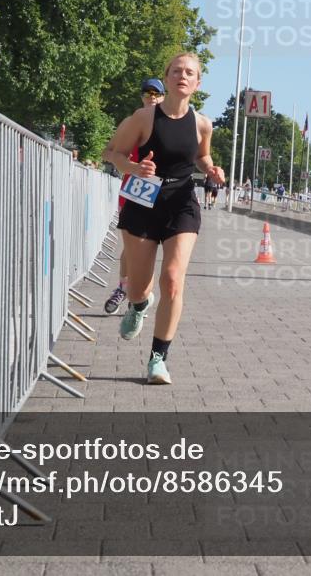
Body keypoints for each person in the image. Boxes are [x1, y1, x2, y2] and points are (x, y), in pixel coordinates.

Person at [102, 53, 225, 384]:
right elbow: (111, 152)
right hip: (143, 199)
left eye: (190, 73)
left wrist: (211, 169)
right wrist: (133, 168)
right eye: (176, 71)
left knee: (172, 279)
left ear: (197, 84)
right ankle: (139, 306)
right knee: (139, 288)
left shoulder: (203, 124)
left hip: (181, 201)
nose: (182, 76)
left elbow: (201, 155)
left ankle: (158, 359)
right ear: (167, 78)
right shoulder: (144, 118)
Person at [102, 79, 165, 313]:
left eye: (156, 93)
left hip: (164, 192)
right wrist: (130, 165)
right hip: (135, 189)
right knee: (131, 246)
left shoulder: (172, 123)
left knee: (153, 247)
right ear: (141, 97)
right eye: (147, 92)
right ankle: (124, 288)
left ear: (163, 96)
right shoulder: (131, 122)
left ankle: (141, 293)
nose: (151, 96)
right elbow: (107, 152)